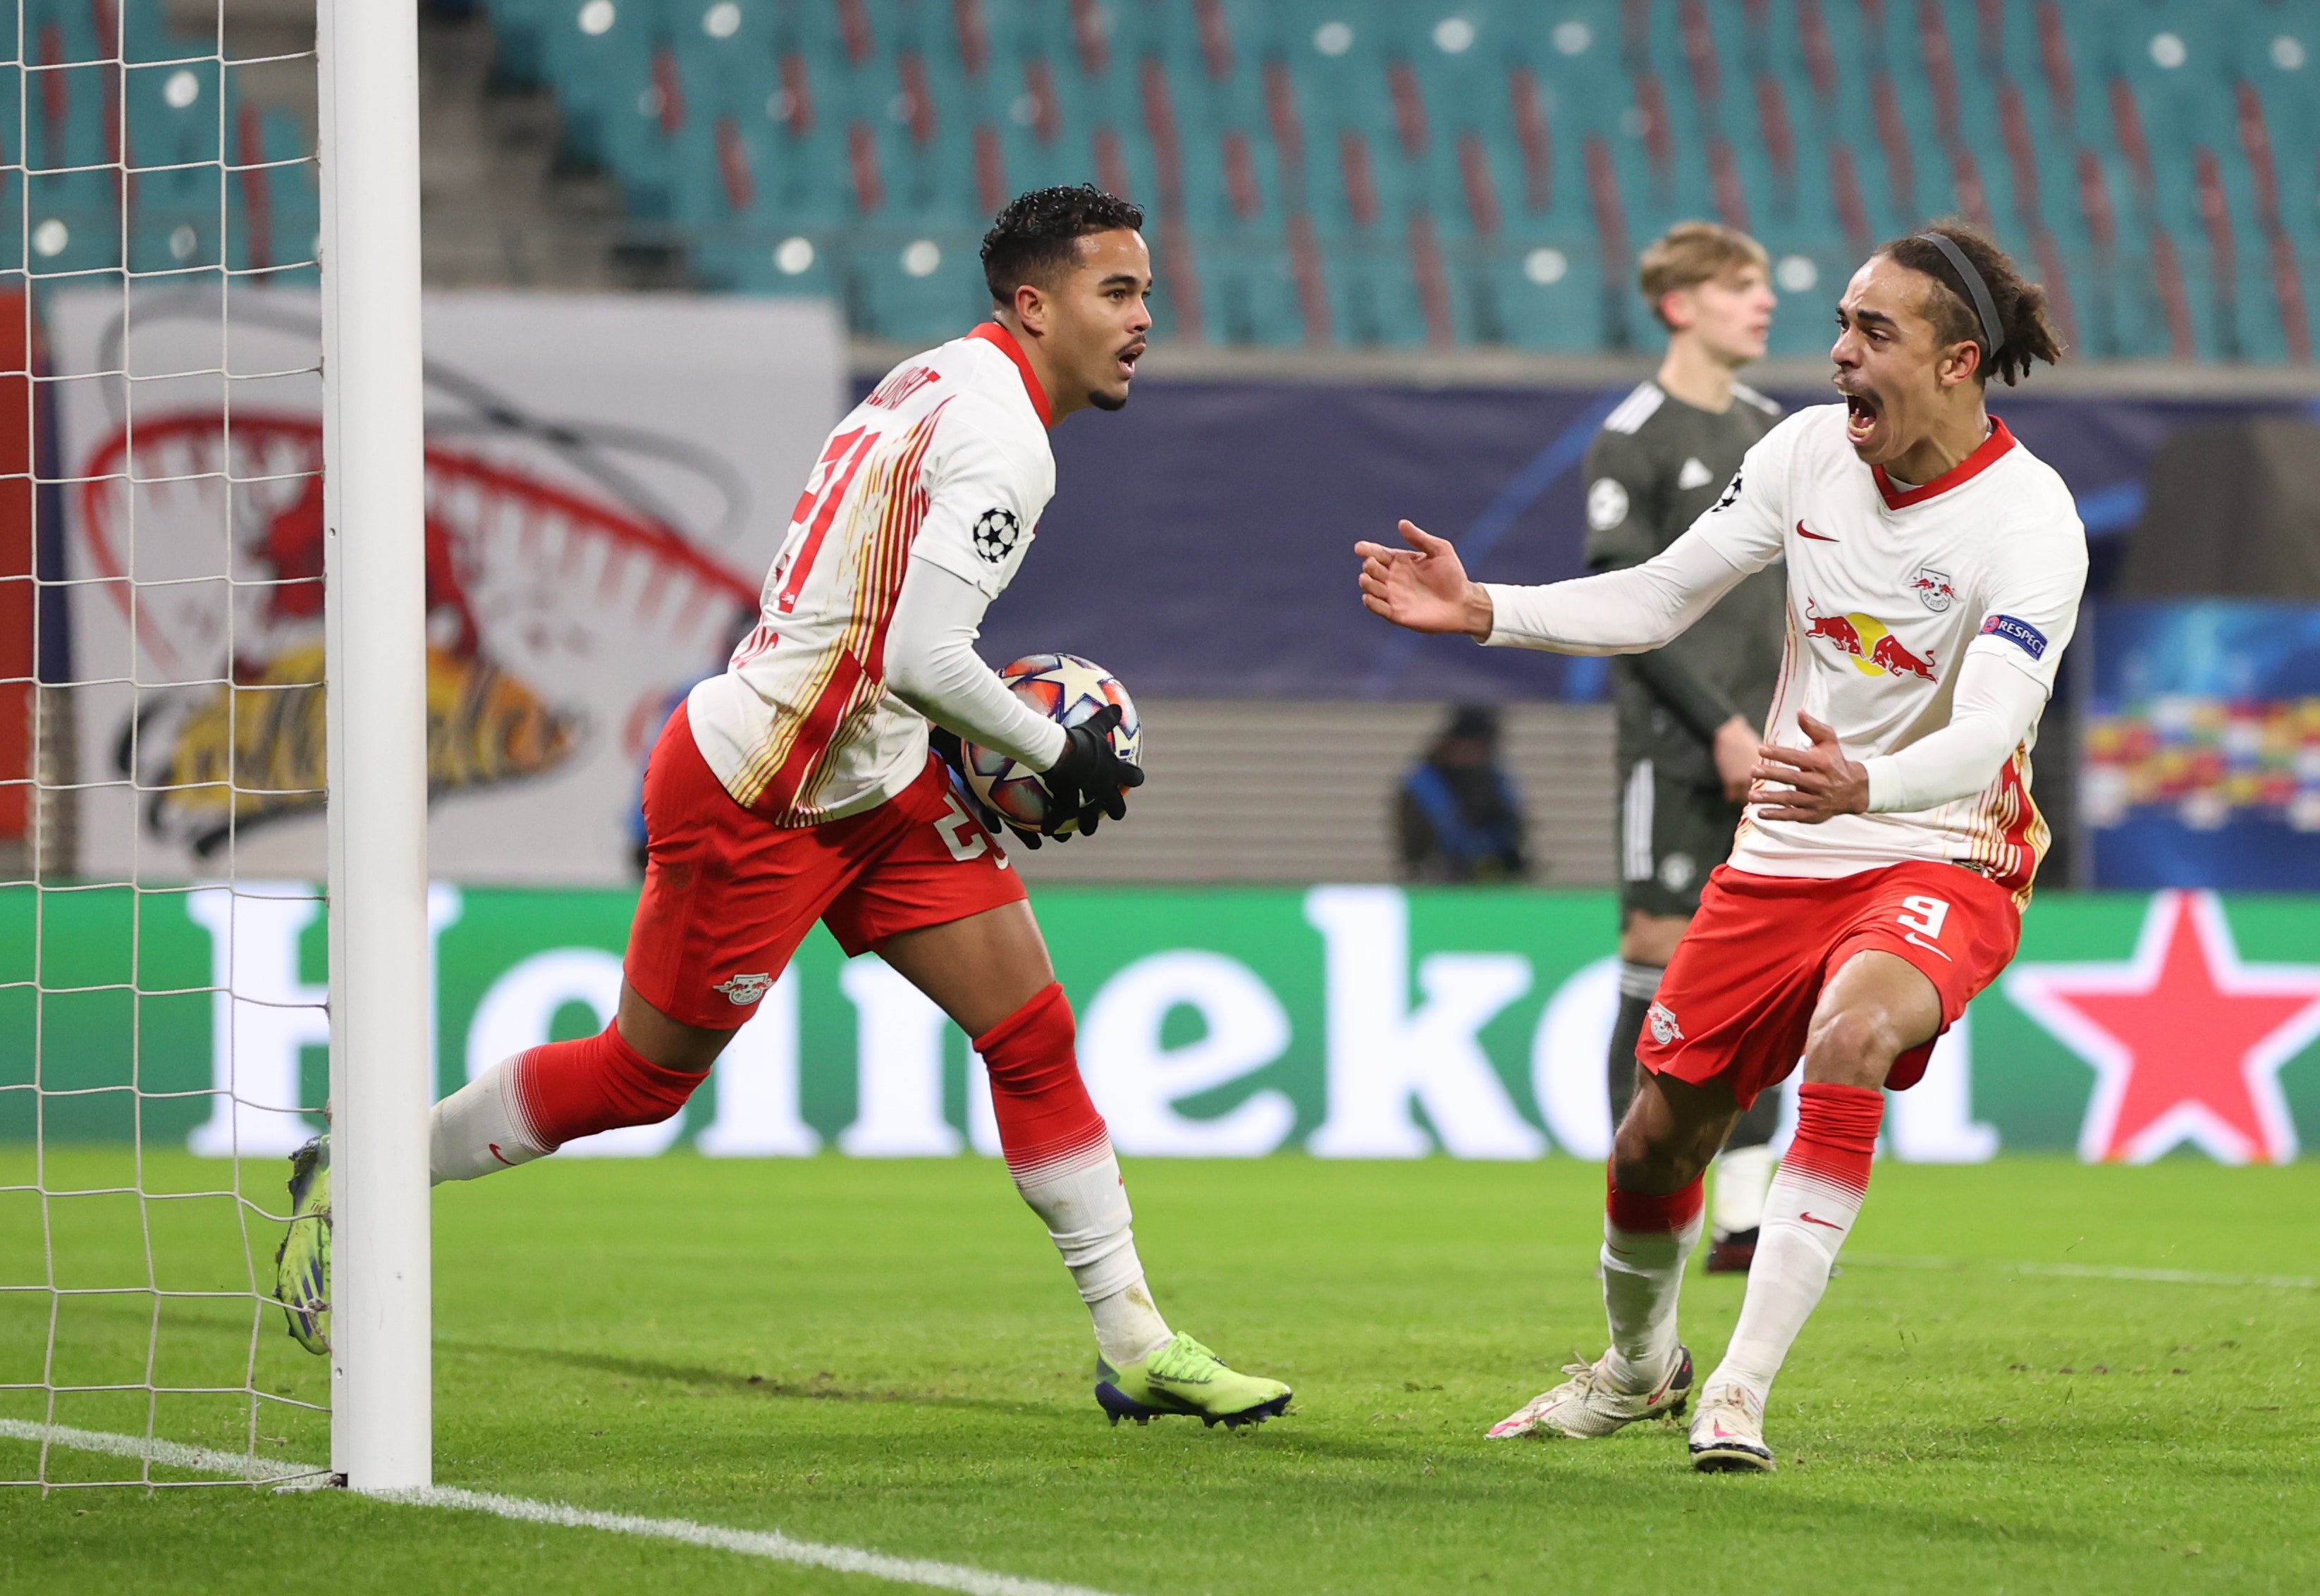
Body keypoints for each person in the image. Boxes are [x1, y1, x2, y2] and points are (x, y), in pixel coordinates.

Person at [277, 185, 1292, 1432]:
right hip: (761, 787)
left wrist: (973, 740)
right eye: (1116, 293)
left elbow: (889, 633)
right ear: (1034, 306)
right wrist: (1049, 746)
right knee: (640, 1077)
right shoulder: (1005, 441)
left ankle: (1137, 1340)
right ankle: (362, 1170)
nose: (1144, 318)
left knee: (1030, 1031)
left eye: (1143, 291)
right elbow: (921, 651)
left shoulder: (939, 379)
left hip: (878, 773)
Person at [1355, 221, 2079, 1472]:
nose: (1838, 351)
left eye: (1873, 332)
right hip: (1789, 847)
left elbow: (1993, 728)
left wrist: (1871, 779)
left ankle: (1737, 1388)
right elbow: (1657, 593)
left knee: (1851, 1036)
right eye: (1841, 322)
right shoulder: (1805, 452)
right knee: (1654, 1138)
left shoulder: (2028, 519)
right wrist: (1485, 609)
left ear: (1959, 361)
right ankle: (1639, 1368)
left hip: (1939, 844)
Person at [1585, 222, 1786, 1273]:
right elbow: (1626, 608)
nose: (1762, 303)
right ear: (1679, 304)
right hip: (1674, 750)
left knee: (1767, 975)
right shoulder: (1634, 436)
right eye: (1739, 287)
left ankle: (1745, 1217)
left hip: (1777, 754)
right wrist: (1717, 726)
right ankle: (1635, 1186)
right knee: (1657, 961)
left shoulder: (1778, 434)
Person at [1397, 704, 1527, 882]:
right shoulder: (1424, 785)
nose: (1477, 755)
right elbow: (1414, 848)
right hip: (1441, 884)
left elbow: (1515, 832)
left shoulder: (1495, 779)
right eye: (1474, 746)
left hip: (1494, 885)